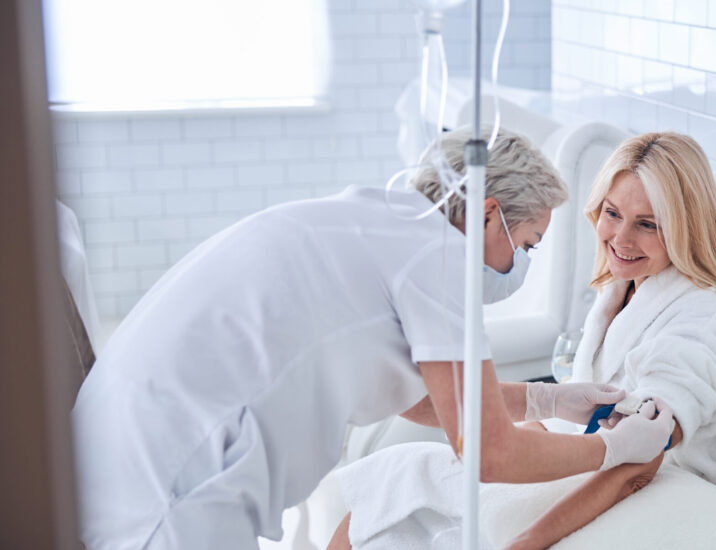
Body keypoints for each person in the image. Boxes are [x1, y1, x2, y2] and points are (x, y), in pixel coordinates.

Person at [70, 128, 676, 550]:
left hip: (107, 453)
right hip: (166, 493)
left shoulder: (378, 220)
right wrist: (619, 450)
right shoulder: (440, 260)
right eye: (528, 244)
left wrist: (548, 401)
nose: (521, 264)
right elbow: (491, 454)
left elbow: (412, 392)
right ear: (488, 215)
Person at [326, 131, 716, 549]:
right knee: (389, 494)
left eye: (647, 224)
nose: (621, 239)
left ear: (686, 228)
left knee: (405, 493)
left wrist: (525, 543)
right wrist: (543, 409)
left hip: (659, 493)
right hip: (597, 467)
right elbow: (414, 399)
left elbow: (639, 465)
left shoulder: (702, 318)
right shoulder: (622, 292)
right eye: (612, 214)